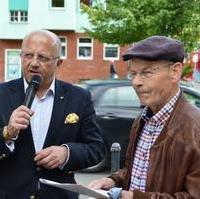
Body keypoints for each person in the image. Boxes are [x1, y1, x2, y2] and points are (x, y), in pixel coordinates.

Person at [89, 35, 200, 198]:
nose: (136, 82)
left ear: (175, 71)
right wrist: (113, 180)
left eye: (146, 73)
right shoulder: (143, 118)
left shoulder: (195, 128)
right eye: (133, 74)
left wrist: (136, 197)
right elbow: (137, 171)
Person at [0, 30, 105, 199]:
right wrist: (7, 133)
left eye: (42, 58)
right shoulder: (2, 94)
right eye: (28, 55)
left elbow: (96, 148)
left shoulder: (79, 98)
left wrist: (66, 153)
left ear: (59, 62)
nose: (33, 63)